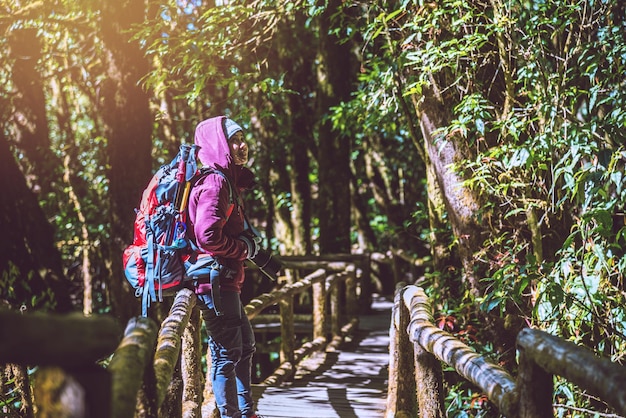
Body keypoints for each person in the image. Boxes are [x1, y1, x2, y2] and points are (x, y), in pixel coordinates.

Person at [187, 116, 262, 418]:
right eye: (234, 140)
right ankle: (232, 415)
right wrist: (241, 249)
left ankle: (246, 413)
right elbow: (206, 234)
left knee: (245, 346)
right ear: (220, 144)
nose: (242, 145)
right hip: (214, 279)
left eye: (244, 139)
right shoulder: (216, 181)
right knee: (226, 353)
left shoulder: (226, 179)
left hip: (224, 278)